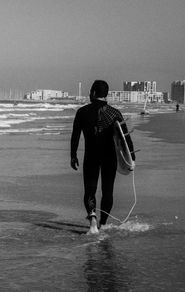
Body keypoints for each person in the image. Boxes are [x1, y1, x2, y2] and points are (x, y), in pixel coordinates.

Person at [70, 80, 135, 234]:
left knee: (90, 190)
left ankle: (92, 220)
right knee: (107, 191)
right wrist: (131, 158)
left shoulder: (82, 112)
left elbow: (75, 136)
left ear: (93, 93)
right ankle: (103, 224)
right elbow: (125, 138)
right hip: (109, 157)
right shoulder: (115, 113)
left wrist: (73, 156)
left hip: (91, 156)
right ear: (106, 94)